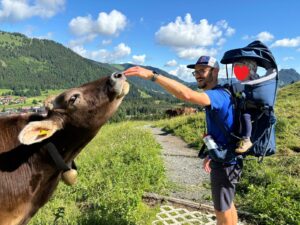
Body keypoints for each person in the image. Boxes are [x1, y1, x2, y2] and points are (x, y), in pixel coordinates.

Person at [123, 55, 242, 225]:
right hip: (225, 157)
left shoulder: (218, 95)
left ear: (215, 71)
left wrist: (152, 76)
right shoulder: (222, 93)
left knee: (221, 209)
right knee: (227, 202)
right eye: (196, 72)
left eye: (203, 70)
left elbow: (186, 94)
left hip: (225, 164)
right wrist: (212, 153)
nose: (198, 74)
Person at [233, 58, 259, 154]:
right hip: (245, 106)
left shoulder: (255, 81)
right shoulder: (242, 82)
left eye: (240, 69)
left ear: (250, 69)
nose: (237, 72)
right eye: (235, 69)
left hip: (254, 108)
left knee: (245, 116)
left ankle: (247, 139)